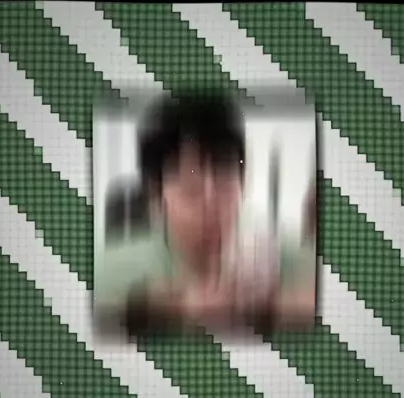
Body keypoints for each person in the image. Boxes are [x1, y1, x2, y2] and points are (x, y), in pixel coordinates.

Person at [94, 91, 316, 337]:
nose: (211, 202)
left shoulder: (283, 255)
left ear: (242, 182)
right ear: (155, 194)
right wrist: (170, 312)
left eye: (224, 178)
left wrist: (272, 310)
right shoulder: (109, 271)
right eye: (192, 187)